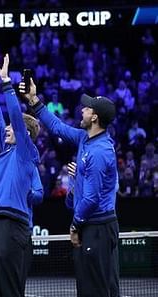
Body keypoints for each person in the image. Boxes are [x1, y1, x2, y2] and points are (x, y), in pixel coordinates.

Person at [20, 78, 119, 296]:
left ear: (94, 117)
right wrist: (34, 100)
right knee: (89, 288)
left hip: (97, 227)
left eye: (87, 108)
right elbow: (57, 127)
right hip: (93, 226)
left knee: (97, 290)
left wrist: (75, 226)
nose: (82, 109)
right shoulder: (86, 138)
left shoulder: (99, 151)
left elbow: (92, 199)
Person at [0, 55, 43, 297]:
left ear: (23, 133)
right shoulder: (2, 156)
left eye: (12, 128)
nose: (5, 129)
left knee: (10, 290)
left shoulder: (25, 153)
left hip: (14, 224)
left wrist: (7, 83)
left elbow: (14, 117)